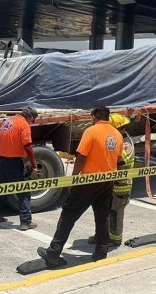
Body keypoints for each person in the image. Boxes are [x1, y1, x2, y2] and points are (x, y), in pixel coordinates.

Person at [37, 106, 123, 267]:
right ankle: (101, 251)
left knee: (68, 215)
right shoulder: (117, 135)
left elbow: (82, 156)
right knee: (102, 215)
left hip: (88, 182)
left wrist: (75, 178)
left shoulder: (91, 132)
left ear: (94, 117)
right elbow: (118, 161)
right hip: (107, 181)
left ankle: (54, 252)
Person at [0, 106, 39, 231]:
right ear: (30, 117)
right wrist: (34, 165)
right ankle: (25, 222)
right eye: (33, 120)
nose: (32, 123)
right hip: (13, 163)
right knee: (24, 192)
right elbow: (28, 146)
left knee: (3, 189)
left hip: (1, 160)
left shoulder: (8, 121)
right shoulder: (24, 125)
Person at [87, 113, 135, 248]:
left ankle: (114, 239)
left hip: (121, 187)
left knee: (115, 214)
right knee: (103, 213)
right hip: (110, 185)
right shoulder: (118, 139)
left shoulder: (125, 144)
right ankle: (100, 235)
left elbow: (117, 161)